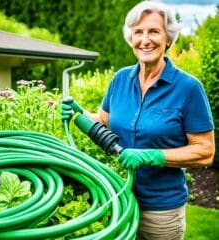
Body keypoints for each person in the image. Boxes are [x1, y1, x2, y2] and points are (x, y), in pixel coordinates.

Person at [61, 1, 215, 239]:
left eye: (154, 31)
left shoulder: (188, 88)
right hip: (120, 197)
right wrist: (78, 113)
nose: (145, 40)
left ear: (168, 39)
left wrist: (152, 155)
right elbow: (103, 121)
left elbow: (205, 151)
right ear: (131, 39)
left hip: (161, 211)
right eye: (138, 32)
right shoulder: (120, 79)